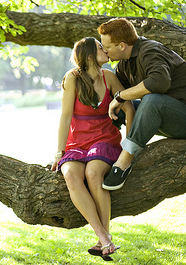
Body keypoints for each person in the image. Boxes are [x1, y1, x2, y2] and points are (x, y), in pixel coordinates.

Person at [98, 18, 186, 191]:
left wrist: (121, 95)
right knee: (114, 107)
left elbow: (159, 82)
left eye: (107, 48)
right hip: (165, 117)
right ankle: (103, 151)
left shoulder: (150, 50)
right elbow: (112, 94)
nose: (105, 52)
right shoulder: (125, 64)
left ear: (122, 45)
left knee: (153, 100)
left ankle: (124, 163)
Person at [51, 37, 134, 260]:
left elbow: (128, 106)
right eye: (100, 48)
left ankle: (103, 240)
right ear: (89, 56)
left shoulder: (109, 77)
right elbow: (65, 116)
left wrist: (130, 143)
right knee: (70, 175)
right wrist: (59, 153)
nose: (105, 50)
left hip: (104, 139)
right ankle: (104, 238)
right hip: (77, 142)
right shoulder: (72, 78)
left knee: (93, 173)